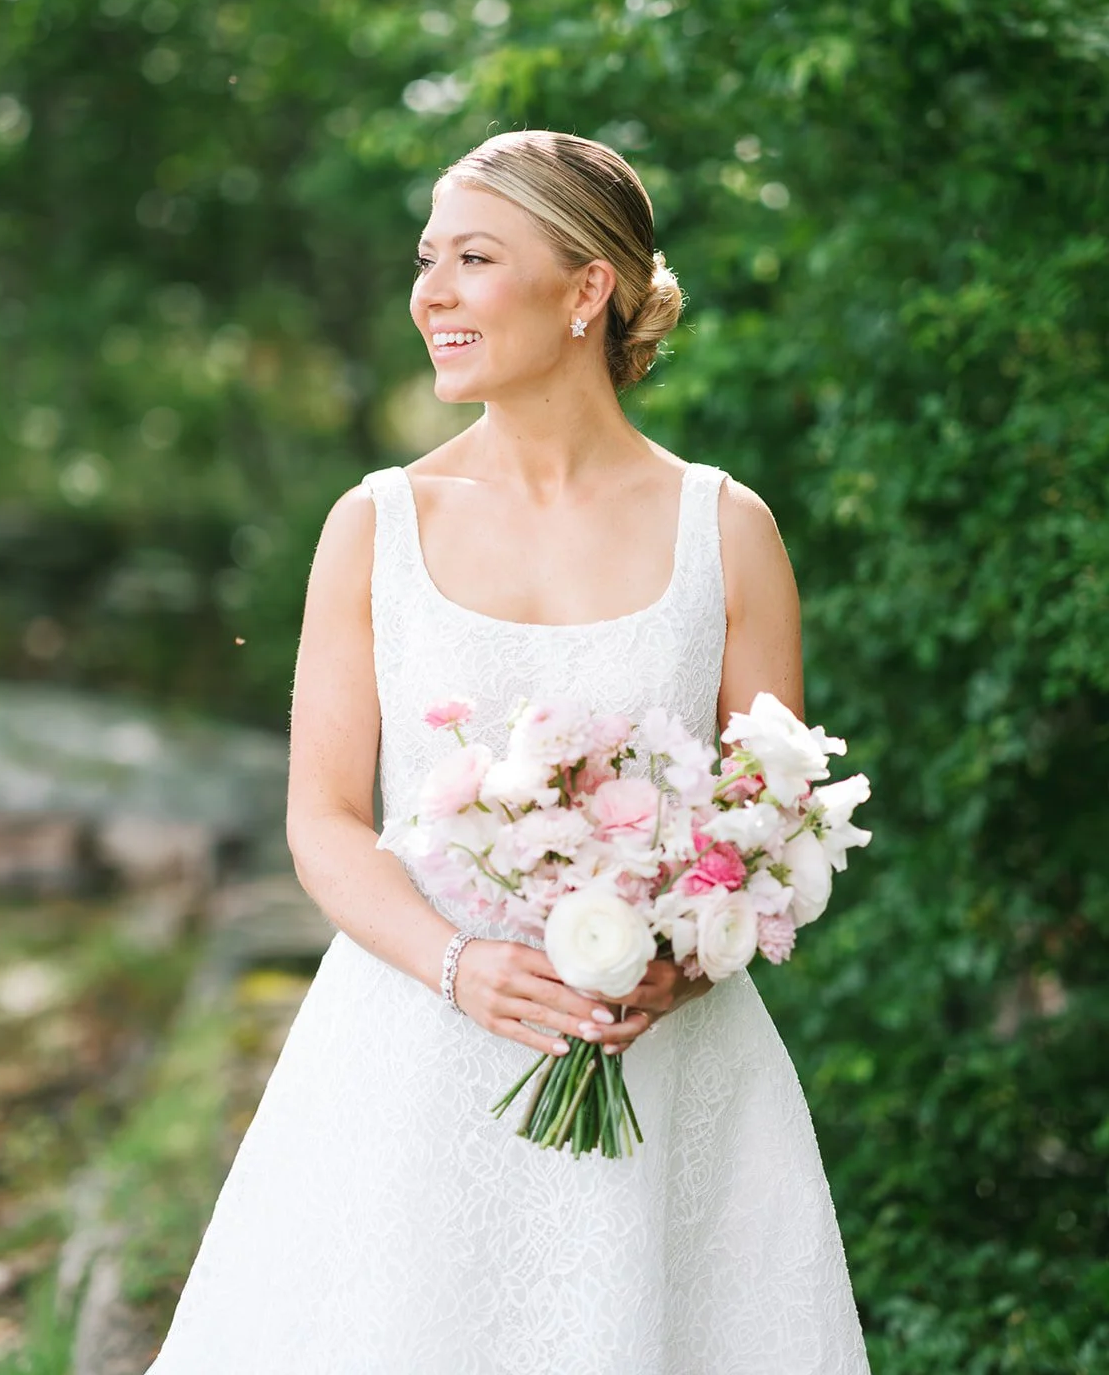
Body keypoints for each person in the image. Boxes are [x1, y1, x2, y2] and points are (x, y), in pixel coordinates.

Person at [145, 130, 870, 1373]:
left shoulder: (726, 530)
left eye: (473, 259)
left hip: (666, 1077)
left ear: (588, 289)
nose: (429, 292)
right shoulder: (375, 524)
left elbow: (779, 817)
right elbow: (322, 818)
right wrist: (457, 964)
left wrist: (679, 970)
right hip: (413, 1065)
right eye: (428, 259)